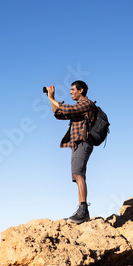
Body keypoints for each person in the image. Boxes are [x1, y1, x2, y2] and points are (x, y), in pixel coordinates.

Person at [46, 80, 96, 224]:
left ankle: (83, 211)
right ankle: (82, 209)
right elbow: (59, 114)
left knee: (79, 174)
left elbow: (67, 109)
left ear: (81, 90)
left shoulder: (87, 104)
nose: (70, 92)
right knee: (76, 174)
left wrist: (52, 98)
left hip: (83, 142)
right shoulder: (78, 107)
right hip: (76, 144)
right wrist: (51, 99)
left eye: (73, 89)